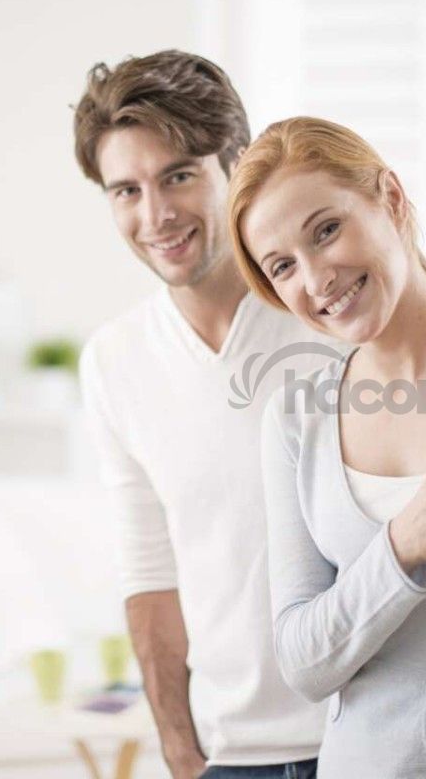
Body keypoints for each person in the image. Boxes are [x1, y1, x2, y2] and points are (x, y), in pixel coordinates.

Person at [227, 117, 426, 777]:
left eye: (326, 230)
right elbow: (303, 662)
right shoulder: (298, 418)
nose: (317, 280)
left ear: (390, 198)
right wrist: (401, 547)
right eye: (283, 266)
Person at [74, 53, 336, 779]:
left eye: (179, 176)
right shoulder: (114, 360)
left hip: (363, 738)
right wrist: (180, 748)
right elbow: (150, 572)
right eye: (126, 190)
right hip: (229, 757)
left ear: (237, 166)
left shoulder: (331, 319)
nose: (155, 215)